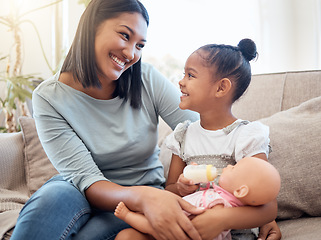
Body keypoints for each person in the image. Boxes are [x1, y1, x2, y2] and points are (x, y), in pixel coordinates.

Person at [10, 0, 203, 240]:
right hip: (80, 189)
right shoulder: (49, 97)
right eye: (124, 35)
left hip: (139, 194)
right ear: (92, 27)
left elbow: (202, 132)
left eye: (140, 45)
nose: (131, 53)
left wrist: (261, 205)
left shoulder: (147, 79)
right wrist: (145, 197)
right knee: (50, 200)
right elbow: (86, 179)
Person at [114, 39, 282, 240]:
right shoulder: (183, 136)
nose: (181, 81)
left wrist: (221, 219)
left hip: (231, 233)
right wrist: (182, 188)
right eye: (184, 74)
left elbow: (267, 205)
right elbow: (171, 190)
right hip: (186, 229)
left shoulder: (245, 136)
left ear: (221, 88)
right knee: (127, 237)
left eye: (190, 75)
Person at [114, 157, 281, 240]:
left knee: (150, 228)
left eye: (234, 168)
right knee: (126, 236)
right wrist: (190, 180)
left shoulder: (221, 205)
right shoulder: (216, 192)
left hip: (178, 231)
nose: (229, 166)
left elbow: (201, 226)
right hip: (173, 221)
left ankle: (129, 216)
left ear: (240, 190)